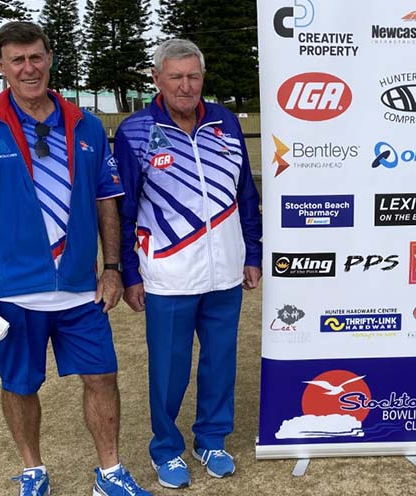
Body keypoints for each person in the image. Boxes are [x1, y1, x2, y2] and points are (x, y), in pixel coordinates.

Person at [0, 21, 151, 496]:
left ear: (50, 58)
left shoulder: (86, 124)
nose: (28, 68)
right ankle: (33, 469)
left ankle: (110, 473)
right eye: (17, 60)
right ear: (1, 66)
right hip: (12, 289)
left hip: (80, 286)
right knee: (20, 385)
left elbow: (107, 201)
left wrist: (112, 269)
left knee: (102, 376)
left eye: (35, 57)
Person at [114, 39, 262, 489]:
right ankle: (166, 448)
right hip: (168, 275)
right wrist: (129, 273)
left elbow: (246, 193)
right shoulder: (135, 131)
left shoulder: (225, 121)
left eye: (193, 76)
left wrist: (252, 253)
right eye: (175, 77)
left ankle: (211, 440)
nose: (185, 86)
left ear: (202, 77)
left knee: (220, 362)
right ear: (156, 78)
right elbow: (122, 209)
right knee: (169, 370)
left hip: (226, 273)